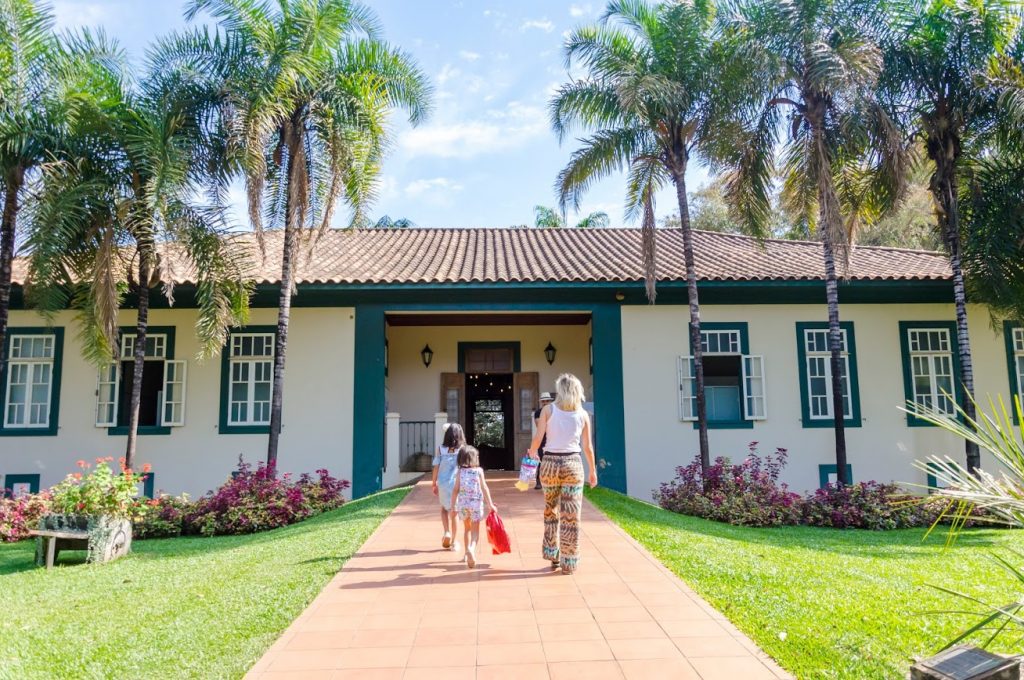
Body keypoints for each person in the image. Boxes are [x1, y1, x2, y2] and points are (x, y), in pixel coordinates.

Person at [527, 373, 597, 575]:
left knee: (551, 509)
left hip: (549, 464)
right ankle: (570, 561)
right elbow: (588, 447)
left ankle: (553, 554)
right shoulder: (583, 415)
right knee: (572, 515)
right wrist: (592, 471)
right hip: (573, 464)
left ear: (560, 390)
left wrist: (532, 454)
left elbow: (538, 439)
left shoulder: (547, 410)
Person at [449, 445, 497, 568]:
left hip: (463, 505)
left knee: (467, 529)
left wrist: (452, 506)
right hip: (476, 505)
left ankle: (466, 554)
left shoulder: (460, 472)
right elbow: (484, 488)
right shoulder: (479, 471)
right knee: (475, 531)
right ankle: (471, 549)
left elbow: (455, 490)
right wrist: (490, 504)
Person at [432, 423, 465, 551]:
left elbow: (436, 467)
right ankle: (454, 541)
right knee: (454, 512)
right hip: (457, 484)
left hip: (443, 484)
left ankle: (447, 532)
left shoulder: (440, 449)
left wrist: (433, 483)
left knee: (444, 509)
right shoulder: (462, 449)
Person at [533, 391, 554, 489]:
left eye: (547, 401)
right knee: (541, 460)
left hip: (553, 439)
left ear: (549, 402)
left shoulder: (555, 411)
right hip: (543, 439)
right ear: (541, 402)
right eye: (543, 401)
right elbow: (539, 426)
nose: (545, 403)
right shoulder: (538, 412)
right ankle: (538, 481)